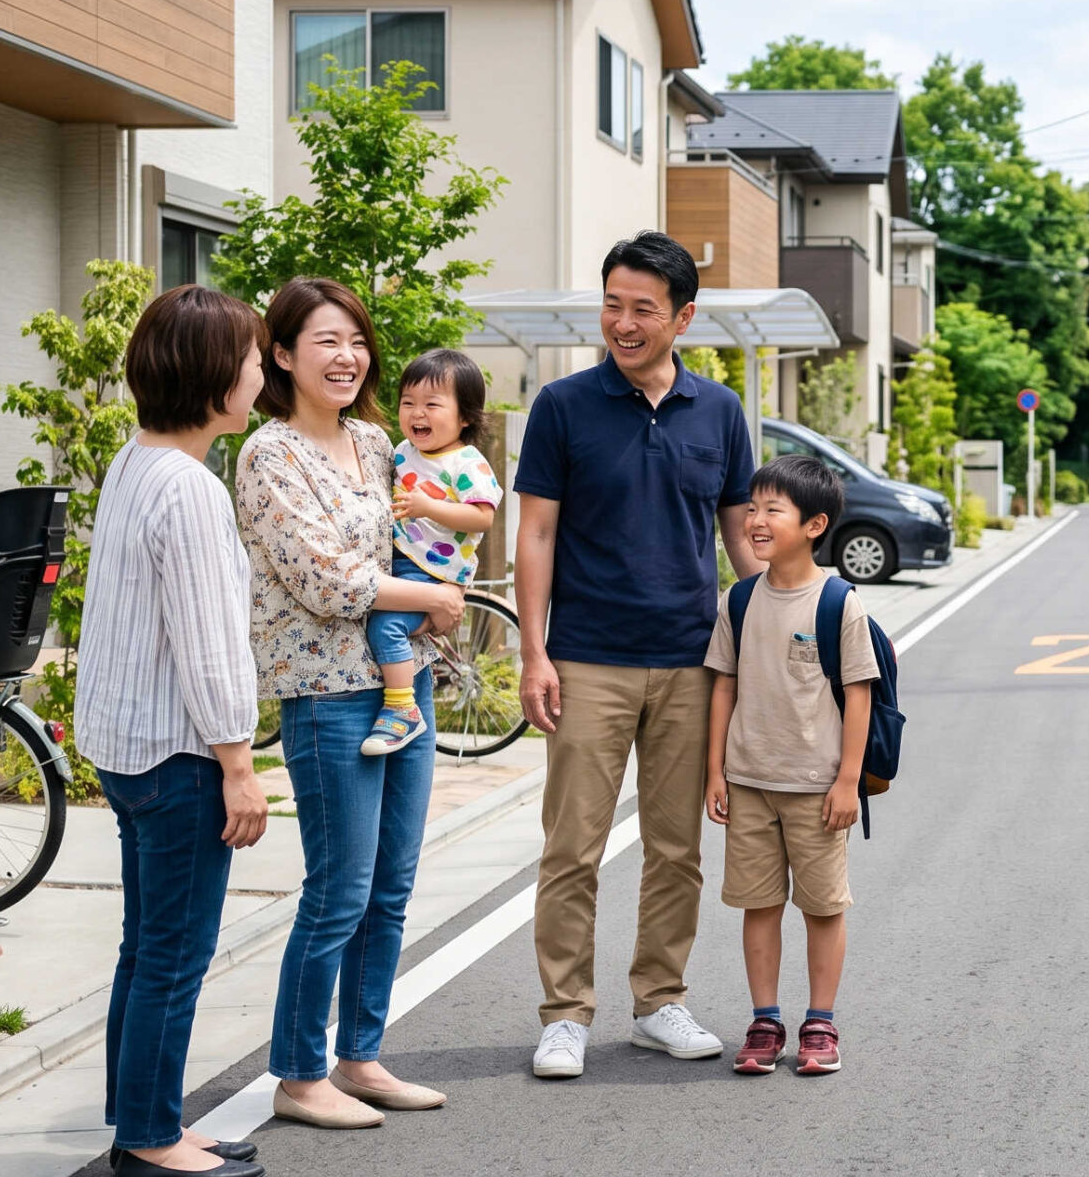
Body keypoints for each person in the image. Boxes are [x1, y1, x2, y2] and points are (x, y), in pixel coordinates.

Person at [516, 231, 761, 1079]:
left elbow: (741, 536)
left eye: (643, 309)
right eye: (612, 304)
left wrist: (784, 626)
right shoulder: (562, 406)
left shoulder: (720, 411)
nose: (623, 322)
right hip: (587, 658)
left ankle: (659, 1000)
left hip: (692, 660)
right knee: (571, 848)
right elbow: (536, 532)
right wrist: (534, 651)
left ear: (682, 318)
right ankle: (564, 1015)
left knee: (676, 848)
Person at [238, 278, 465, 1130]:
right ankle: (299, 1074)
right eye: (326, 341)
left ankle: (360, 1057)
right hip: (328, 694)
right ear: (282, 354)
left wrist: (436, 584)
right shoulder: (268, 455)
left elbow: (422, 534)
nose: (347, 356)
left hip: (404, 684)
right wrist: (429, 598)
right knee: (339, 888)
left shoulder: (374, 442)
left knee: (391, 885)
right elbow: (325, 578)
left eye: (357, 340)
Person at [77, 286, 270, 1177]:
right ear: (214, 377)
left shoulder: (135, 461)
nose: (260, 374)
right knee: (173, 953)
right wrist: (239, 763)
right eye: (253, 360)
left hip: (127, 744)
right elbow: (208, 641)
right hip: (180, 754)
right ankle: (151, 1140)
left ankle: (142, 1116)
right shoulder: (191, 488)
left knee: (143, 945)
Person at [703, 455, 878, 1078]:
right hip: (750, 782)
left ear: (813, 524)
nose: (755, 519)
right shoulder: (739, 599)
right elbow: (723, 685)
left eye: (772, 510)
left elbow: (859, 694)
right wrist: (715, 771)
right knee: (759, 904)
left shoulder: (837, 602)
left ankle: (820, 1022)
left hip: (816, 787)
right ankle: (765, 1021)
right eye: (752, 507)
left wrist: (848, 780)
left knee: (823, 906)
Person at [362, 349, 501, 756]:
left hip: (432, 572)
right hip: (399, 561)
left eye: (432, 405)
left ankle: (402, 708)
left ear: (465, 417)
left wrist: (429, 507)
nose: (417, 413)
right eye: (408, 402)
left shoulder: (467, 462)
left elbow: (482, 518)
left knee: (386, 627)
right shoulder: (403, 451)